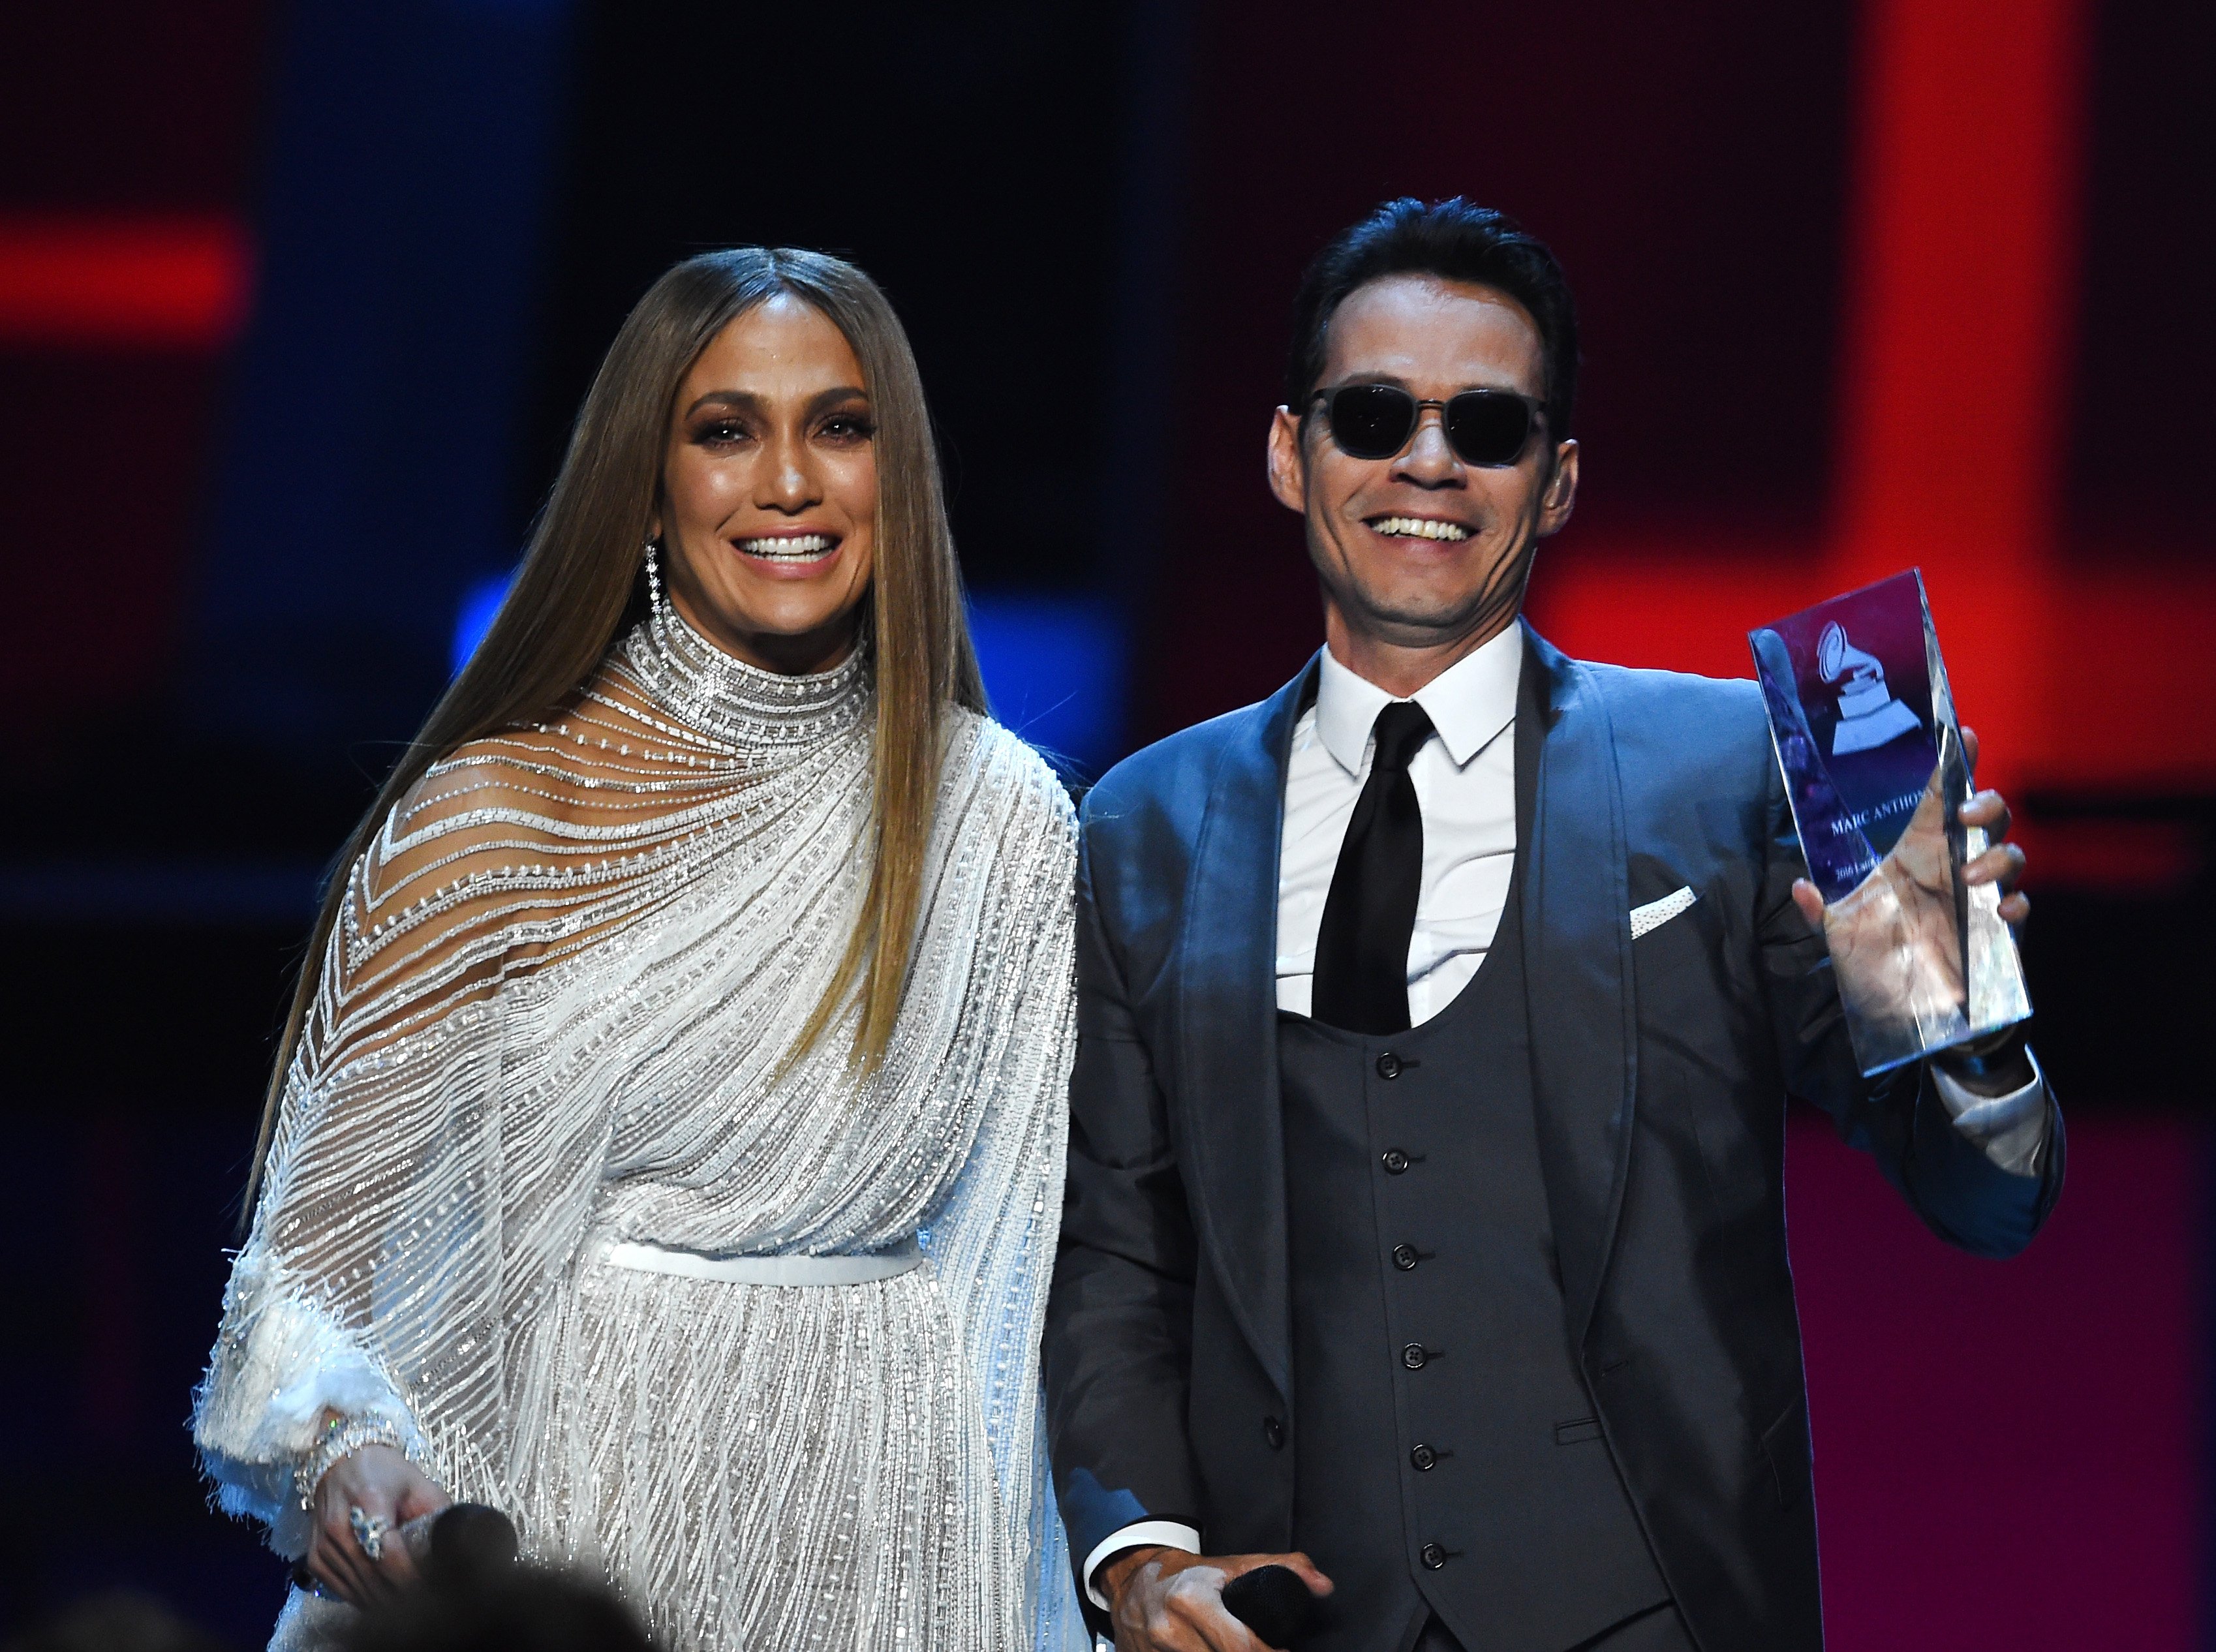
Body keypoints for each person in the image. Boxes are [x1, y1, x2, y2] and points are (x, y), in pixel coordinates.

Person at [1043, 198, 2061, 1652]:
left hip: (1657, 1606)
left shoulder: (1750, 762)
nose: (1430, 461)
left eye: (1491, 428)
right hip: (1288, 1622)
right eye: (1375, 412)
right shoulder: (1145, 821)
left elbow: (1990, 1203)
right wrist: (1138, 1553)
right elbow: (1118, 1251)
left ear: (1559, 480)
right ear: (1290, 453)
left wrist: (1952, 1017)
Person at [194, 247, 1088, 1652]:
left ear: (892, 474)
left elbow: (1022, 1286)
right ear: (652, 485)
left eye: (840, 427)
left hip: (897, 1555)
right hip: (562, 1543)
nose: (788, 480)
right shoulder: (495, 818)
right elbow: (303, 1276)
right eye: (726, 431)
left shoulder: (1002, 821)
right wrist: (339, 1450)